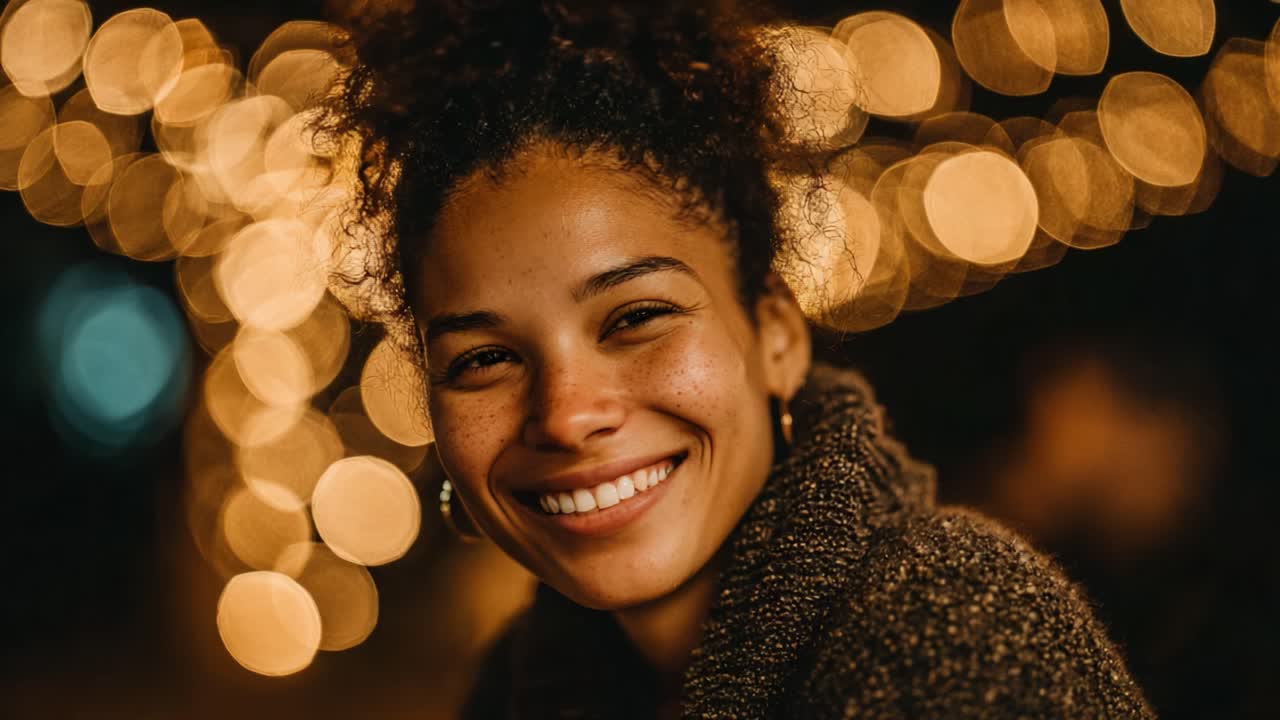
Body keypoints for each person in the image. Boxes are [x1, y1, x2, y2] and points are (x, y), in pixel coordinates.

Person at [318, 1, 1156, 717]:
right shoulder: (522, 682)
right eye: (483, 360)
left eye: (638, 316)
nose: (568, 415)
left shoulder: (952, 635)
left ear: (777, 337)